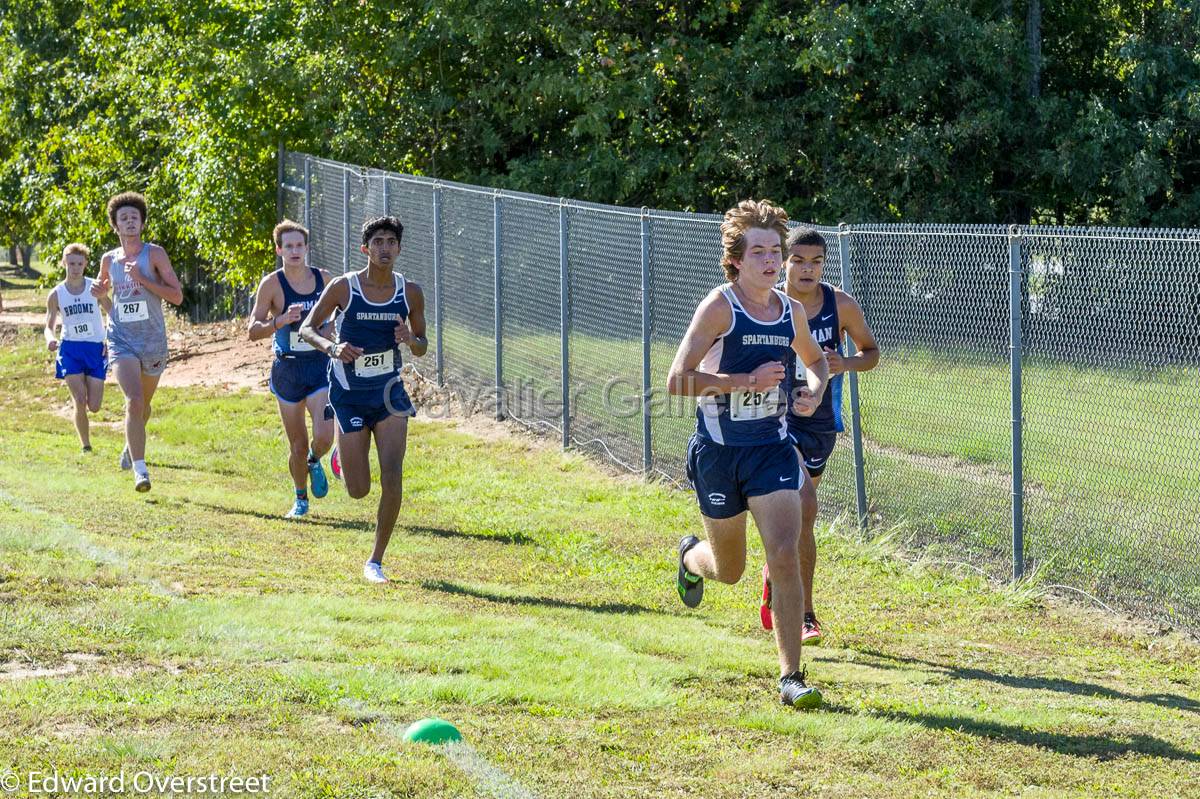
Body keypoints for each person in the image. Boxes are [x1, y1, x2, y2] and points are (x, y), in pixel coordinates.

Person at [667, 199, 829, 708]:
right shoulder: (720, 306)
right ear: (736, 259)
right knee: (730, 568)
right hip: (719, 452)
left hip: (772, 449)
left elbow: (817, 360)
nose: (770, 261)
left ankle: (790, 675)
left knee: (783, 552)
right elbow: (677, 381)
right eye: (757, 251)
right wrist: (745, 381)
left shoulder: (792, 312)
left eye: (774, 251)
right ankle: (691, 558)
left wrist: (815, 387)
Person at [760, 227, 881, 642]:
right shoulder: (769, 303)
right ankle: (806, 613)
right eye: (799, 260)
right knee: (805, 507)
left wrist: (842, 364)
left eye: (816, 261)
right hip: (776, 419)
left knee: (798, 521)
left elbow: (871, 353)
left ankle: (777, 570)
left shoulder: (840, 305)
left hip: (821, 422)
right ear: (784, 262)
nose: (807, 269)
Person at [300, 216, 427, 584]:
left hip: (389, 394)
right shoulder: (344, 287)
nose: (385, 248)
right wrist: (333, 346)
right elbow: (308, 327)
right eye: (378, 242)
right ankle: (342, 452)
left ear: (399, 249)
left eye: (391, 242)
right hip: (350, 396)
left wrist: (408, 338)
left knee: (393, 474)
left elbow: (421, 346)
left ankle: (376, 560)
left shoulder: (411, 293)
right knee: (359, 490)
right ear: (365, 248)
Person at [95, 191, 184, 492]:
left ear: (142, 224)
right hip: (121, 339)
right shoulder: (109, 259)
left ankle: (130, 444)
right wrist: (100, 295)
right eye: (124, 218)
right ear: (116, 226)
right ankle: (140, 470)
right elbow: (106, 298)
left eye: (135, 217)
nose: (130, 221)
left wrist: (144, 279)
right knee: (133, 401)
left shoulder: (154, 254)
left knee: (143, 405)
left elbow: (177, 296)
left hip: (152, 340)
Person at [248, 220, 335, 518]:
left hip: (319, 366)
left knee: (324, 436)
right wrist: (280, 321)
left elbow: (341, 315)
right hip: (287, 370)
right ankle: (300, 500)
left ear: (307, 248)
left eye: (300, 245)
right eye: (289, 246)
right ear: (279, 250)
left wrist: (329, 328)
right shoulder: (271, 284)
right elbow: (252, 330)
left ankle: (315, 460)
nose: (295, 251)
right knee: (296, 444)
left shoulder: (324, 279)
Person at [44, 243, 111, 451]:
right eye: (71, 263)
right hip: (70, 349)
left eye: (79, 264)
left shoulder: (95, 288)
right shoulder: (56, 294)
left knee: (95, 406)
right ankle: (86, 446)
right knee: (80, 399)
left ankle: (86, 437)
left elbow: (112, 312)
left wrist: (109, 339)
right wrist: (50, 339)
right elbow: (48, 326)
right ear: (64, 263)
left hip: (95, 348)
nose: (75, 268)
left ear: (85, 264)